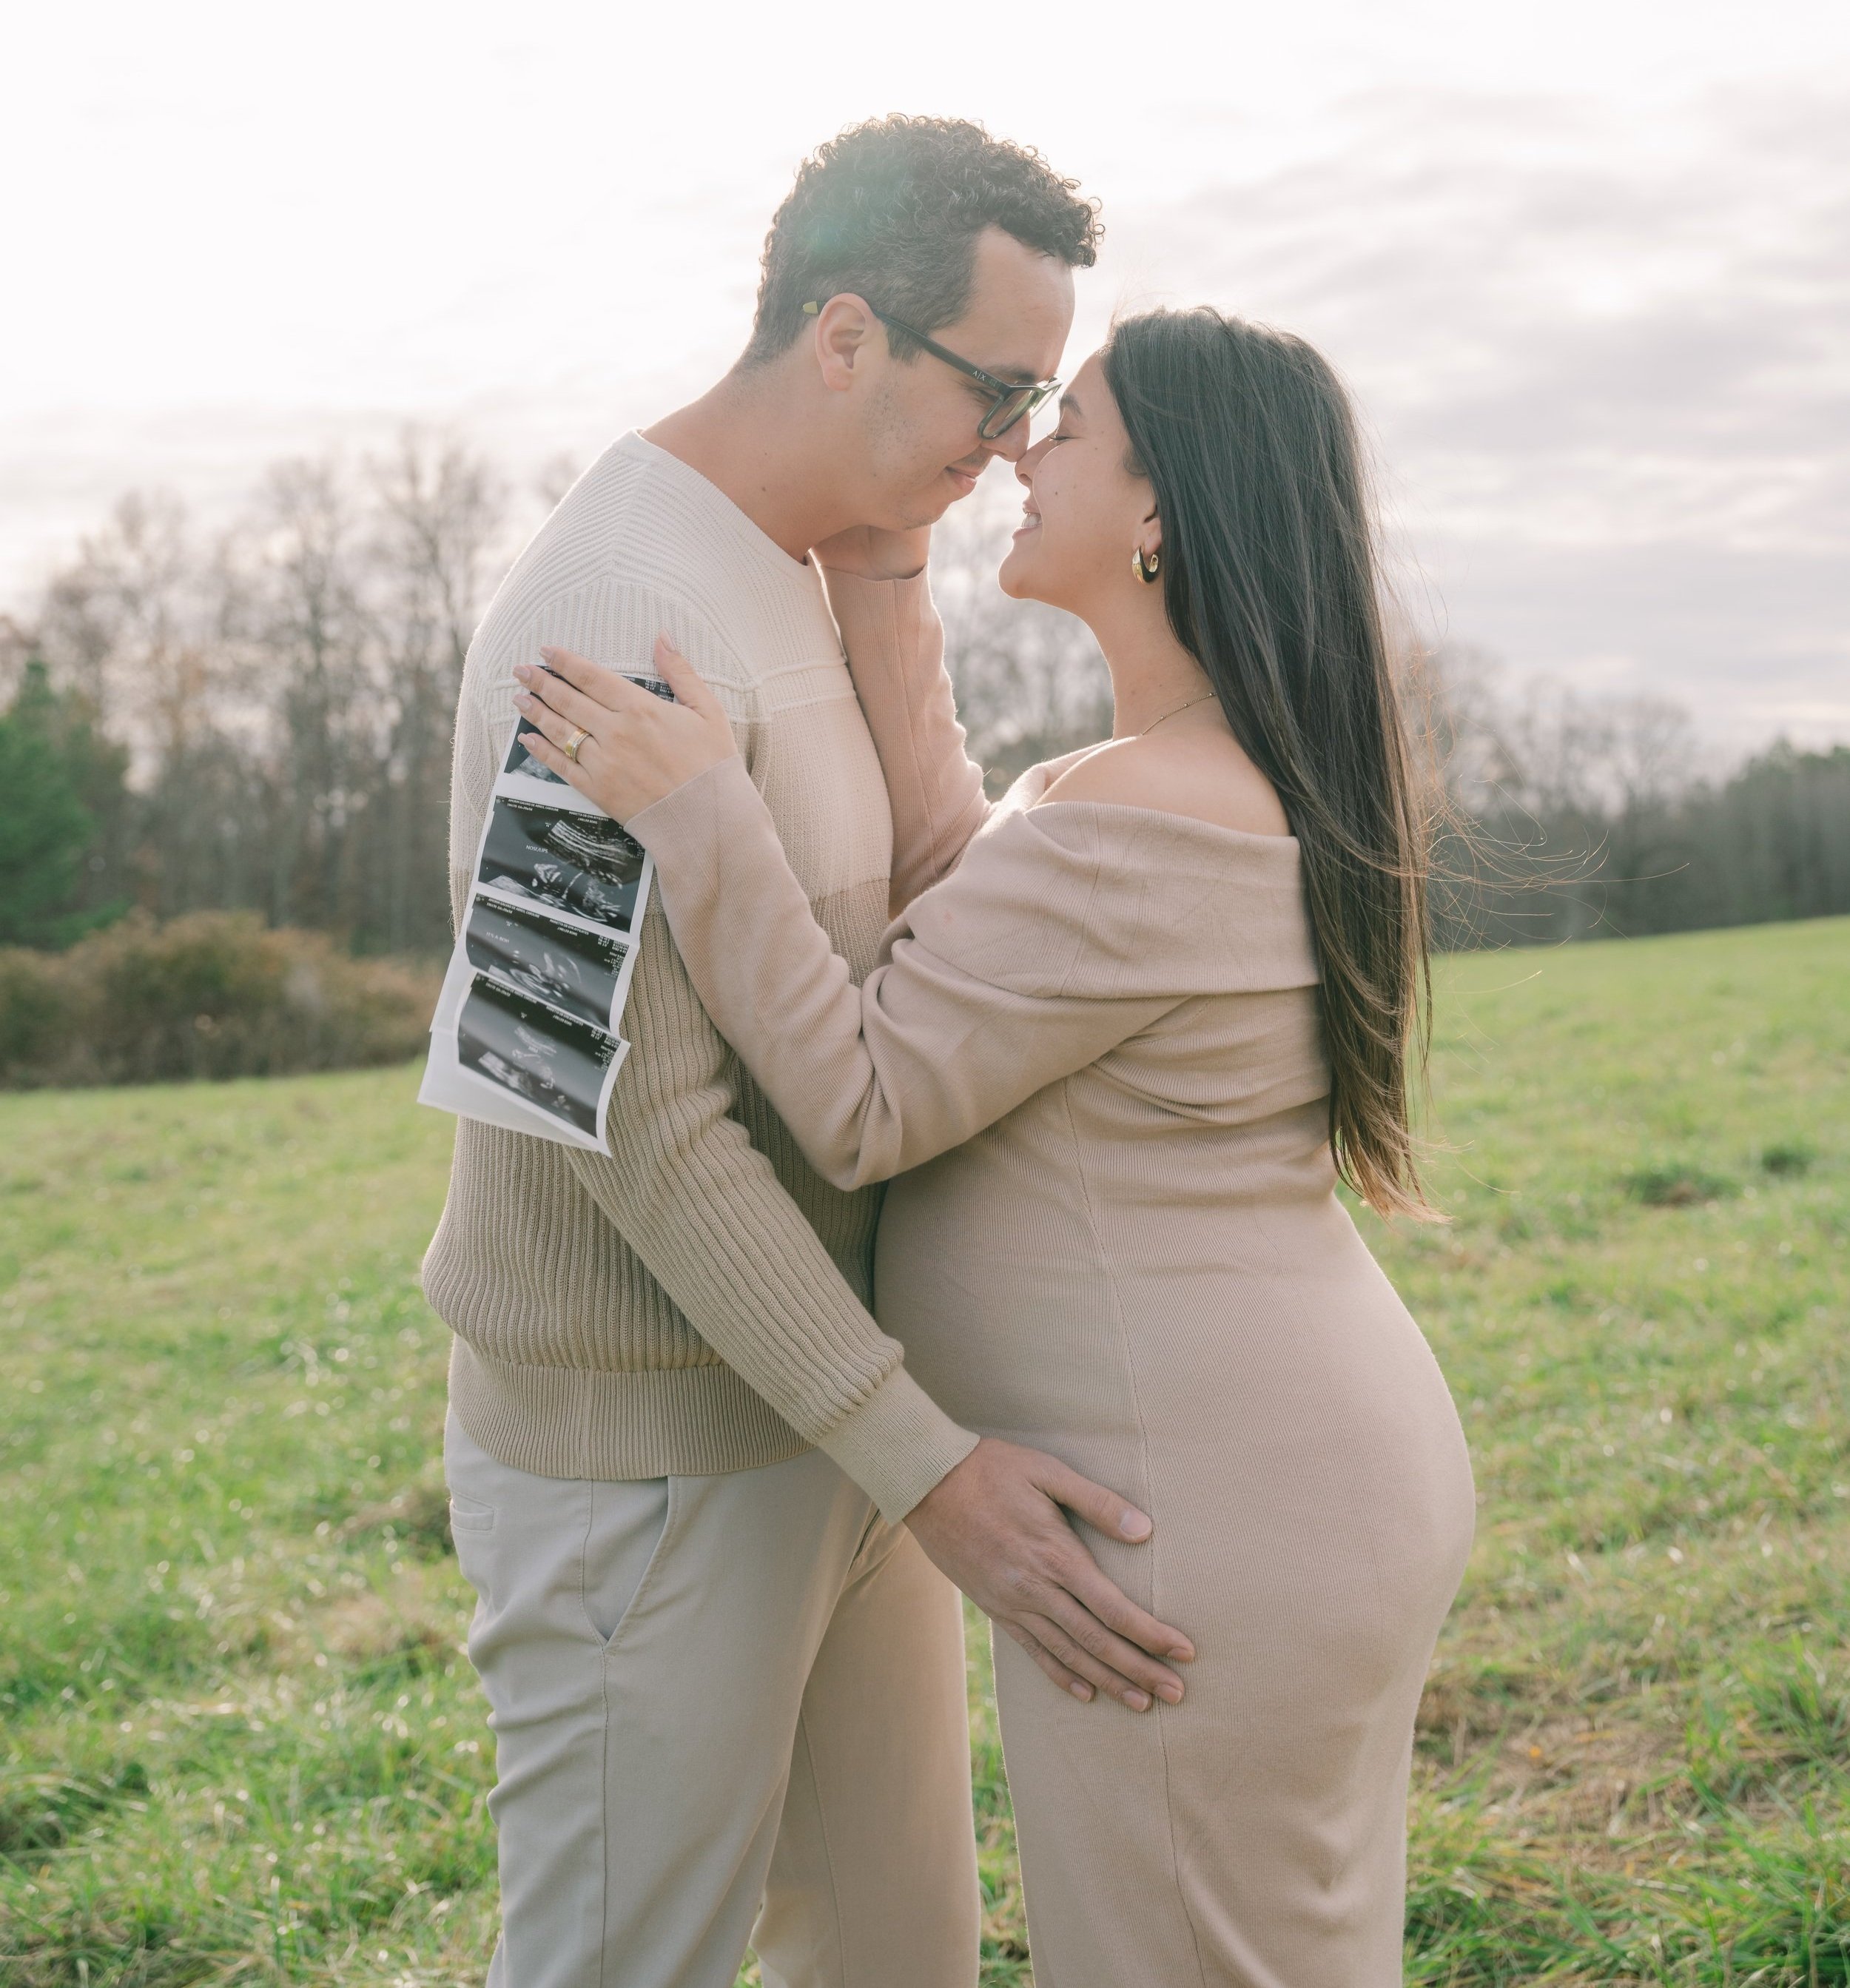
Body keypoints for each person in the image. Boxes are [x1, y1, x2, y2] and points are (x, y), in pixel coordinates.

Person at [511, 309, 1479, 1986]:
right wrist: (887, 595)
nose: (1021, 450)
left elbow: (870, 1097)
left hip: (1205, 1522)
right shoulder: (1181, 781)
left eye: (1071, 425)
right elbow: (989, 905)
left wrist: (701, 814)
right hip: (1281, 1482)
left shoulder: (1144, 810)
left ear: (1162, 510)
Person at [423, 116, 1197, 1988]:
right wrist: (927, 1463)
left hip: (835, 1416)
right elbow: (627, 1123)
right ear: (842, 335)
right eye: (996, 389)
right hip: (652, 1468)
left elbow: (919, 902)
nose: (1016, 445)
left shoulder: (817, 559)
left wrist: (892, 597)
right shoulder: (617, 611)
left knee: (896, 1955)